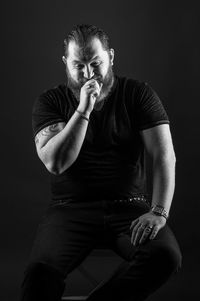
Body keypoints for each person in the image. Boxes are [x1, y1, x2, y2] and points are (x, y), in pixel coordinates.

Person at [19, 24, 182, 301]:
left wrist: (159, 212)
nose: (88, 74)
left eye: (96, 63)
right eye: (78, 65)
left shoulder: (138, 94)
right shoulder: (51, 101)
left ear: (111, 57)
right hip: (70, 210)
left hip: (129, 208)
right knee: (39, 275)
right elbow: (56, 163)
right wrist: (83, 109)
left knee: (165, 257)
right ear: (65, 63)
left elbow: (165, 155)